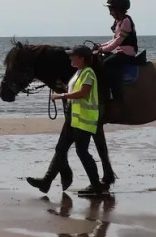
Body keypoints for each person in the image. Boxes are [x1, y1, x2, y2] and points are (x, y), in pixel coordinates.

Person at [26, 45, 107, 198]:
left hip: (84, 121)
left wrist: (62, 96)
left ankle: (97, 187)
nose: (70, 58)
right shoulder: (78, 73)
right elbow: (73, 90)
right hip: (73, 119)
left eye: (73, 56)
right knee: (60, 149)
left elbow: (83, 93)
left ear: (82, 58)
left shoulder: (89, 73)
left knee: (82, 152)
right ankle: (46, 182)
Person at [95, 0, 139, 102]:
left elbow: (118, 41)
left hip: (127, 53)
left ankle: (116, 95)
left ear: (118, 9)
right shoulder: (119, 21)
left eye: (111, 9)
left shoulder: (126, 21)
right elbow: (114, 39)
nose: (110, 13)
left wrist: (103, 49)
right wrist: (100, 46)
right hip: (121, 52)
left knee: (107, 64)